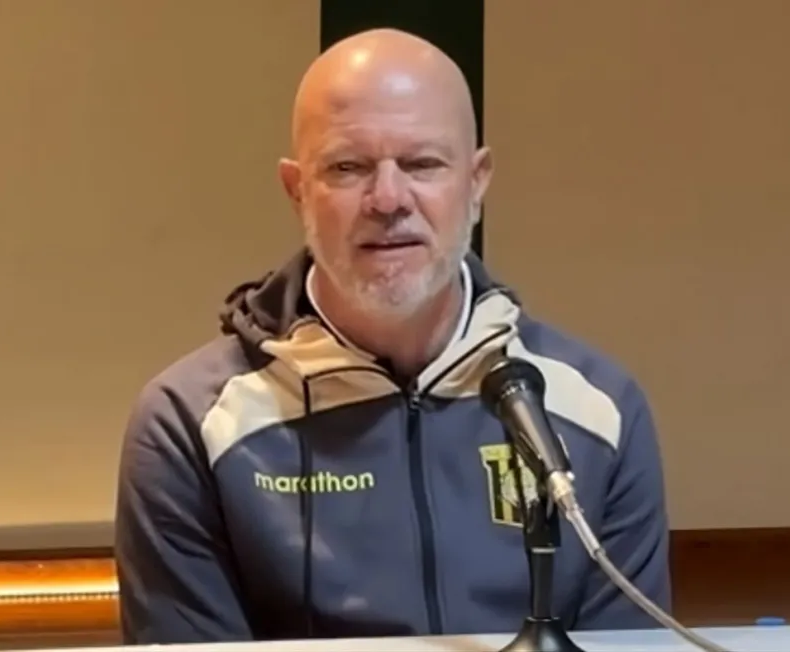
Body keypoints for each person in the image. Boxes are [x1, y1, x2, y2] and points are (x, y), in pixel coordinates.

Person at [113, 27, 671, 645]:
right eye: (348, 167)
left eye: (422, 163)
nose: (388, 198)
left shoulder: (596, 410)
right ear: (297, 191)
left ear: (477, 182)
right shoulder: (188, 425)